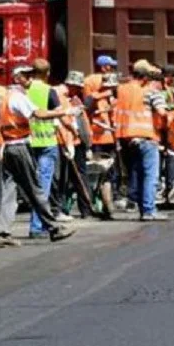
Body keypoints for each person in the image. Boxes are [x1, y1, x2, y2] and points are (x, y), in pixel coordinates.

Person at [0, 63, 74, 247]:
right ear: (20, 79)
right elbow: (38, 114)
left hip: (9, 149)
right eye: (28, 76)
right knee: (35, 189)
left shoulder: (5, 98)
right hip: (20, 148)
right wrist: (64, 111)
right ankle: (54, 228)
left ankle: (3, 233)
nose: (30, 80)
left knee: (10, 191)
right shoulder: (17, 98)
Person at [23, 59, 76, 236]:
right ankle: (38, 226)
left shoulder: (25, 90)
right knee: (43, 186)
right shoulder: (49, 91)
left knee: (32, 186)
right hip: (46, 143)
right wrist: (73, 129)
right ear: (47, 73)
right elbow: (61, 116)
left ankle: (38, 225)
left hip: (28, 142)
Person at [114, 60, 168, 221]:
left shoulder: (121, 89)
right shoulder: (150, 91)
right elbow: (162, 113)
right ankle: (148, 210)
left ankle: (137, 205)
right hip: (145, 136)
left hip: (125, 137)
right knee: (150, 175)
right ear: (145, 78)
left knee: (135, 173)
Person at [54, 72, 95, 219]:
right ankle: (60, 209)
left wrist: (87, 143)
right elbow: (63, 119)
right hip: (63, 142)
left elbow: (82, 120)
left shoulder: (75, 98)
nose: (78, 90)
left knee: (80, 177)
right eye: (76, 87)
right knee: (62, 178)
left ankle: (86, 209)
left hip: (77, 143)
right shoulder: (59, 96)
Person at [85, 72, 119, 219]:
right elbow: (87, 109)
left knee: (109, 173)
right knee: (96, 173)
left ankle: (109, 202)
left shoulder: (111, 100)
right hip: (97, 141)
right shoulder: (94, 98)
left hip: (109, 140)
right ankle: (95, 202)